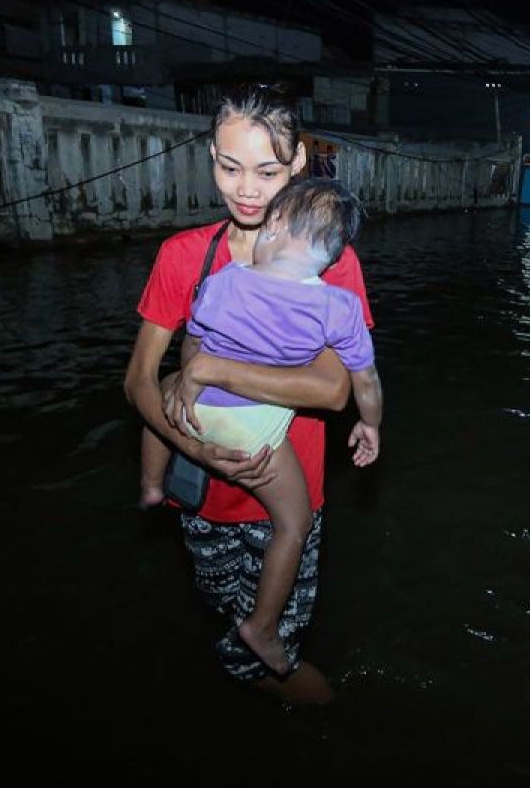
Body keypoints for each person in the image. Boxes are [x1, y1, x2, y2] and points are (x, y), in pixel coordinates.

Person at [124, 85, 373, 704]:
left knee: (267, 657)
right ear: (210, 155)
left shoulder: (327, 259)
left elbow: (333, 388)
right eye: (228, 167)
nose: (246, 188)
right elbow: (137, 381)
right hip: (203, 496)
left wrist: (212, 370)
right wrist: (197, 450)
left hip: (285, 488)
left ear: (295, 167)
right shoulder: (184, 256)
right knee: (232, 635)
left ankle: (338, 730)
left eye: (266, 171)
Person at [155, 177, 381, 677]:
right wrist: (371, 425)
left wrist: (195, 376)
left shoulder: (225, 280)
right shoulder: (335, 306)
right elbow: (361, 383)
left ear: (274, 224)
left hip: (201, 415)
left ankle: (152, 483)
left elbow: (194, 345)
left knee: (166, 385)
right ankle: (261, 626)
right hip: (255, 431)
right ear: (332, 256)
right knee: (293, 525)